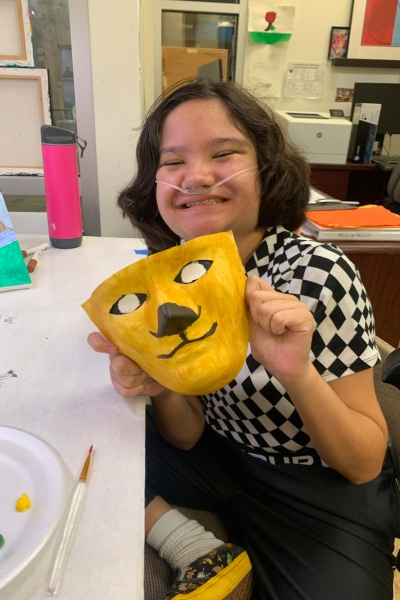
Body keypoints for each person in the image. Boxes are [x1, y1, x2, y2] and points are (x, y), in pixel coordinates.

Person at [88, 78, 400, 600]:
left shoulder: (319, 275)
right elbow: (186, 435)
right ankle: (190, 542)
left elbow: (363, 461)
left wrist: (297, 373)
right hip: (218, 455)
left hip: (314, 486)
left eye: (224, 152)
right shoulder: (171, 278)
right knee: (86, 451)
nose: (197, 176)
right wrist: (158, 380)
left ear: (266, 170)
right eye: (172, 161)